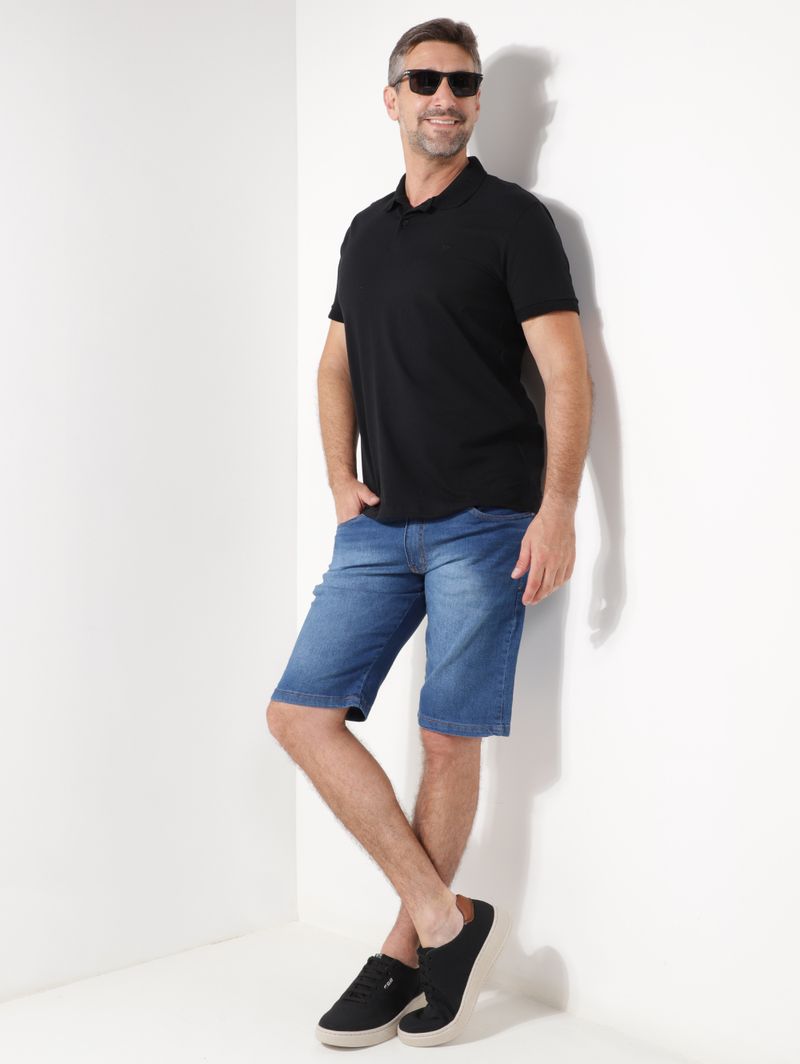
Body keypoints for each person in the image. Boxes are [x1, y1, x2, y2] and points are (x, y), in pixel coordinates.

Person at [266, 16, 593, 1049]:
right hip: (379, 525)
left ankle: (403, 953)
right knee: (299, 716)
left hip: (485, 521)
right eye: (423, 81)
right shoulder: (365, 232)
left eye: (461, 82)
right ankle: (449, 920)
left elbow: (565, 372)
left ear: (478, 100)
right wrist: (338, 477)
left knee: (447, 737)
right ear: (392, 98)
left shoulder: (513, 220)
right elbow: (333, 363)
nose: (443, 97)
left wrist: (558, 506)